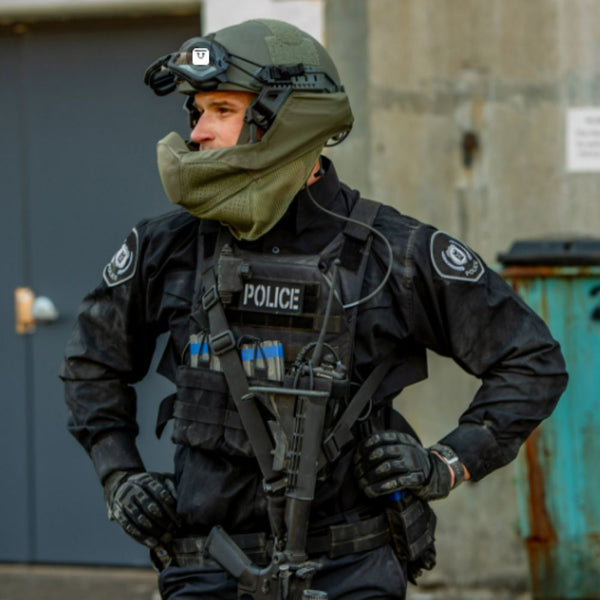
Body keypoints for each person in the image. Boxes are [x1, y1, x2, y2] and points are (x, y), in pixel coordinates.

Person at [60, 18, 567, 600]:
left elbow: (531, 362)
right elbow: (92, 363)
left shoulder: (393, 252)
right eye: (196, 111)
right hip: (206, 569)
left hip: (351, 571)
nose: (197, 133)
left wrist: (447, 463)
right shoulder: (166, 246)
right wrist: (120, 476)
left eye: (221, 109)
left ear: (288, 118)